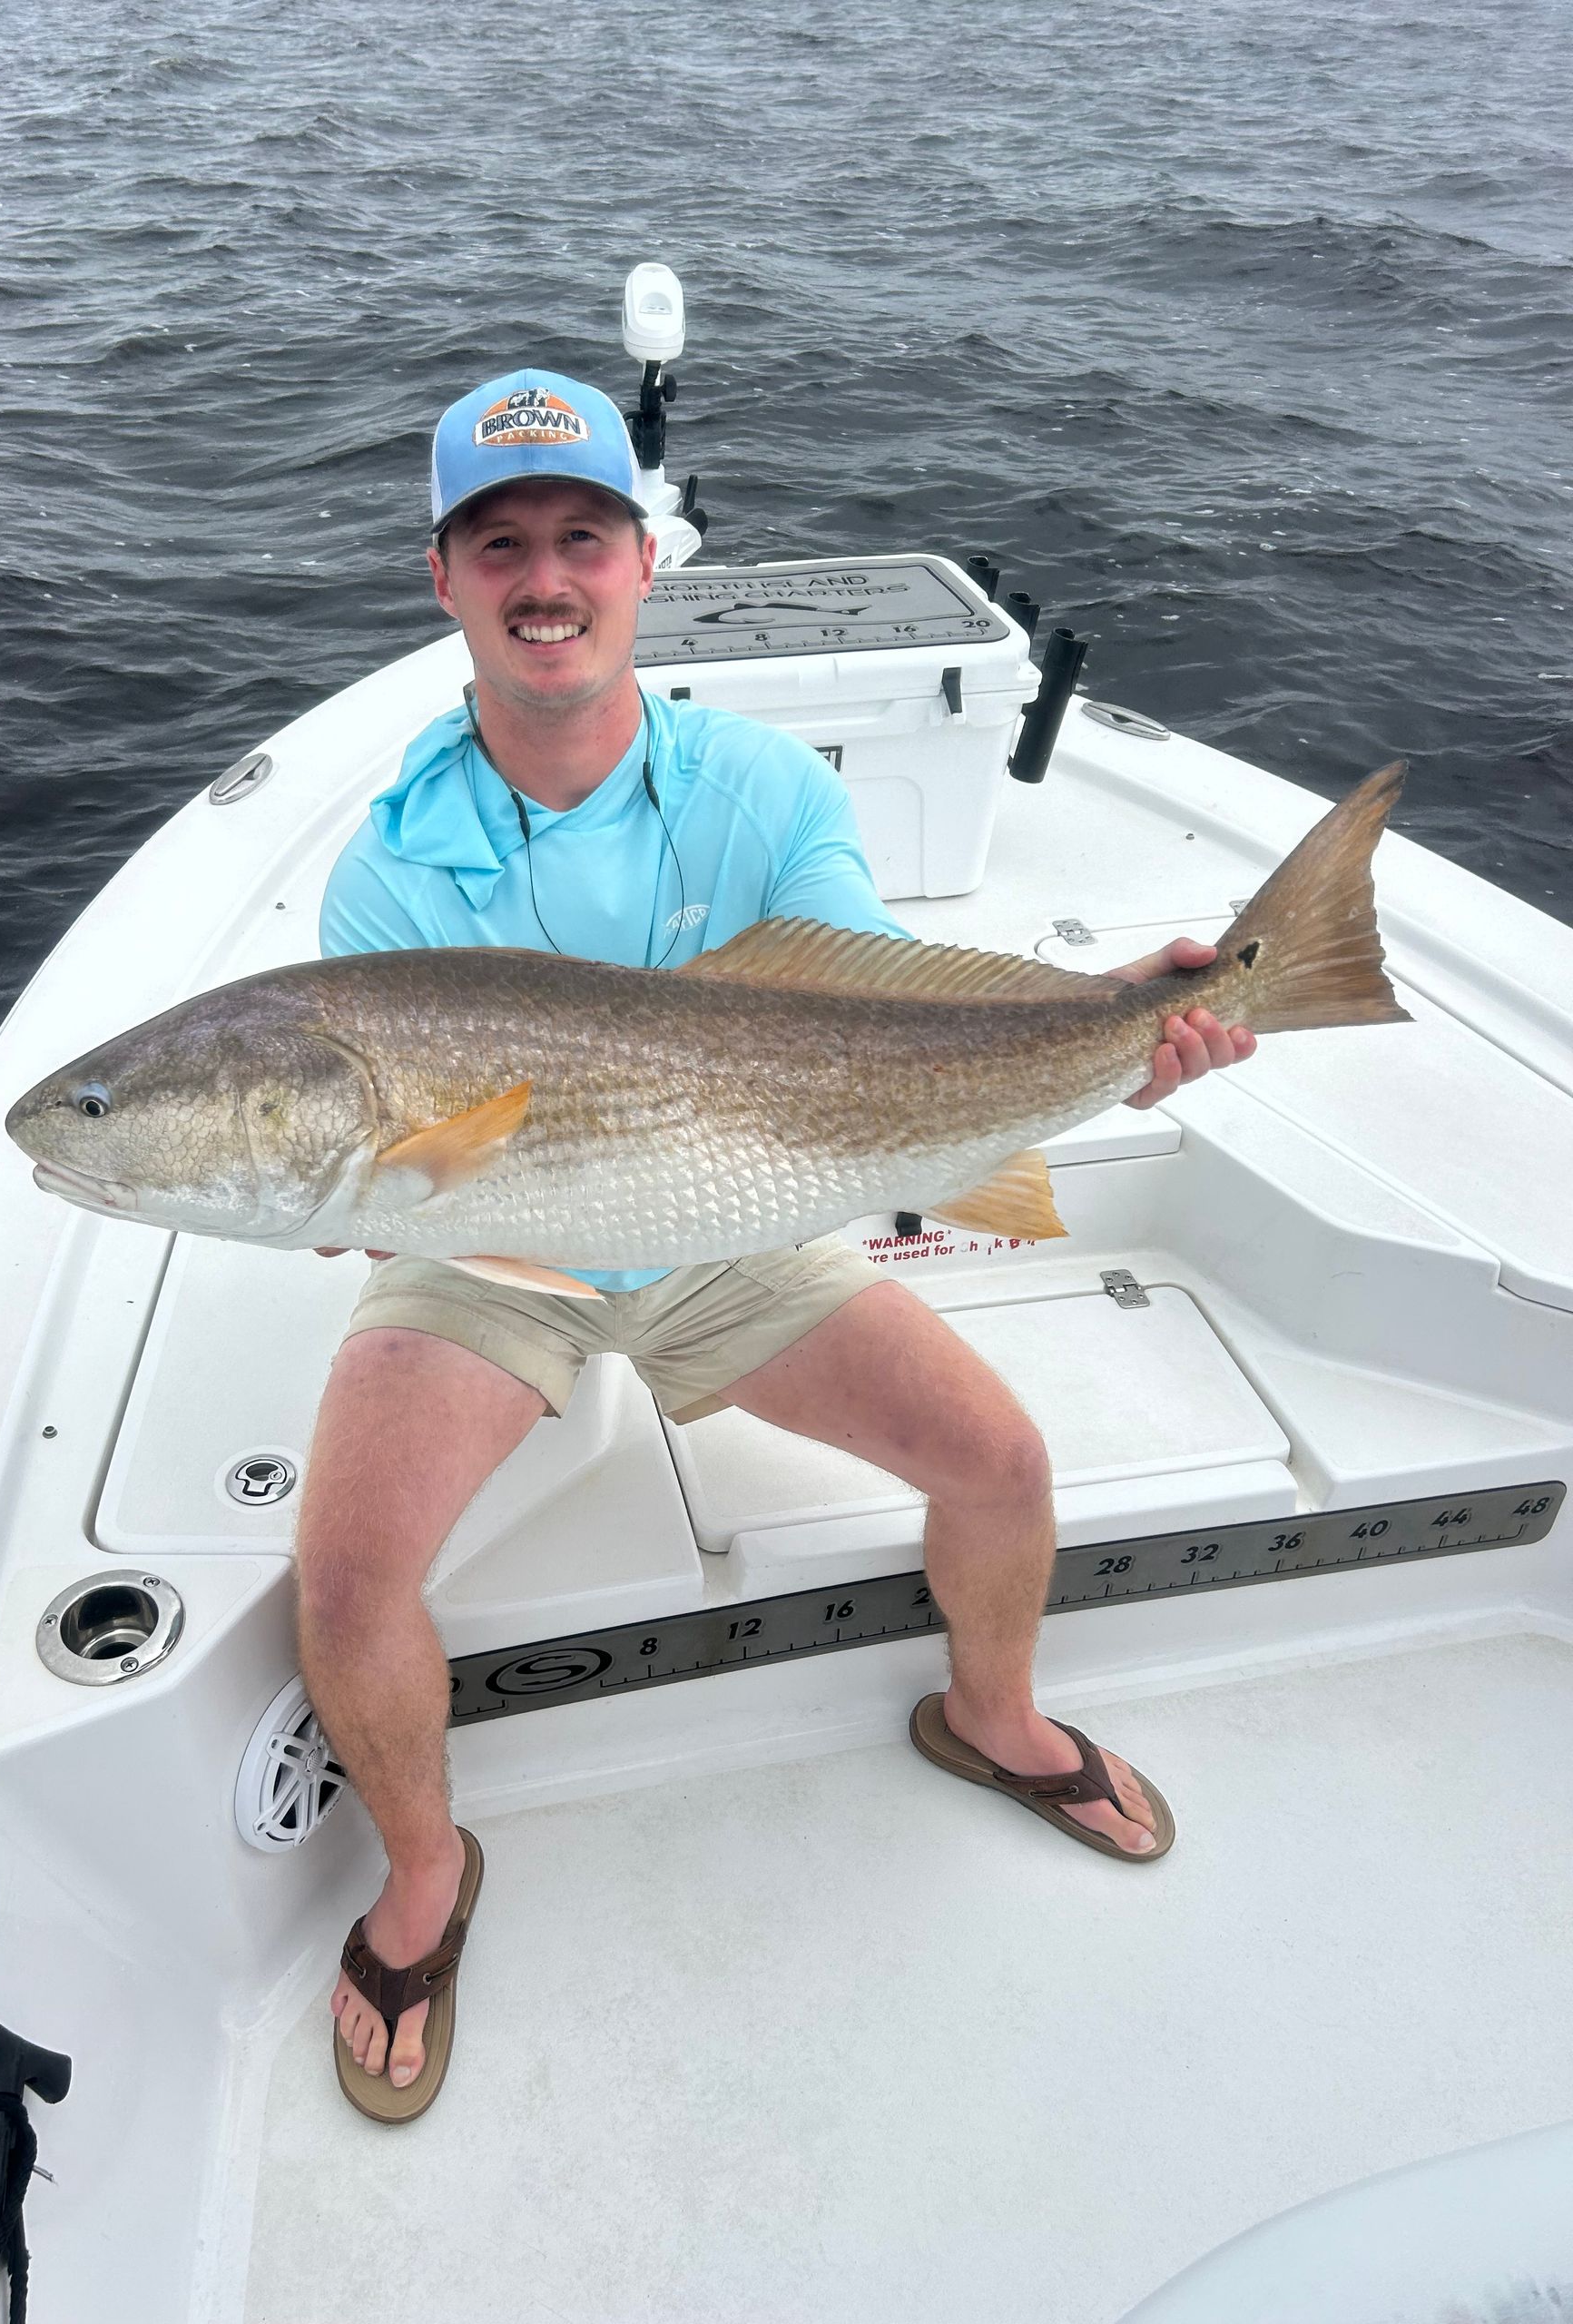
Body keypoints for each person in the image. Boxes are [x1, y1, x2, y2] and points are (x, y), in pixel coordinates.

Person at [301, 369, 1258, 2122]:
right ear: (441, 582)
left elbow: (873, 1023)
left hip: (734, 1202)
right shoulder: (384, 874)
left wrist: (1117, 1026)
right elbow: (393, 1189)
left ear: (641, 563)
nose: (544, 578)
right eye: (496, 544)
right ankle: (427, 1873)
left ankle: (991, 1712)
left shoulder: (759, 785)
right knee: (350, 1582)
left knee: (1002, 1460)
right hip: (484, 1251)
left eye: (580, 536)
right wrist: (352, 1201)